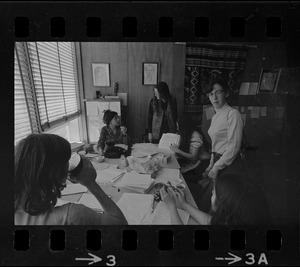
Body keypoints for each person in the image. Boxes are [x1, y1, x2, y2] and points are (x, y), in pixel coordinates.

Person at [14, 133, 128, 225]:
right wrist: (91, 183)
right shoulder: (72, 216)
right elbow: (120, 225)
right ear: (55, 171)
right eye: (66, 161)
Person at [160, 174, 272, 225]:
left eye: (214, 193)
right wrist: (184, 204)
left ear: (221, 206)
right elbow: (210, 221)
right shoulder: (232, 220)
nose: (211, 193)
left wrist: (171, 206)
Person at [203, 77, 244, 180]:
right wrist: (211, 164)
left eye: (218, 92)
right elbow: (214, 145)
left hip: (229, 163)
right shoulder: (215, 116)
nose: (214, 98)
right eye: (211, 94)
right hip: (218, 161)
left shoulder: (233, 114)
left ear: (226, 93)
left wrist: (216, 167)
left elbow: (233, 147)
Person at [169, 114, 210, 179]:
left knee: (180, 175)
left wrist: (178, 150)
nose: (177, 129)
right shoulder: (186, 133)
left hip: (202, 162)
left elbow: (193, 157)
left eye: (178, 126)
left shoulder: (196, 136)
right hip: (195, 160)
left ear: (184, 126)